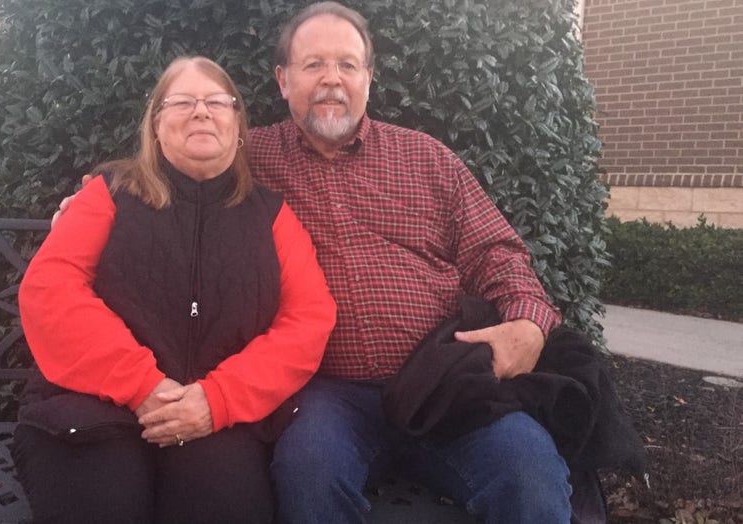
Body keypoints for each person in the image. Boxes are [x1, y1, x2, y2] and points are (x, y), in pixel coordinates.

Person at [56, 3, 573, 522]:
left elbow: (496, 251)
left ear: (369, 78)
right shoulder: (243, 158)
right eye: (313, 65)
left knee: (528, 475)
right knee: (309, 474)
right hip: (327, 394)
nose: (331, 79)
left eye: (347, 65)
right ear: (283, 80)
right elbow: (168, 175)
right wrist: (88, 205)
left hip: (441, 381)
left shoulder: (428, 159)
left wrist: (528, 323)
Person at [14, 56, 336, 524]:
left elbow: (308, 320)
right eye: (182, 101)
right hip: (90, 411)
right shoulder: (108, 194)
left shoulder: (271, 216)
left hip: (218, 421)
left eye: (216, 102)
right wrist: (142, 385)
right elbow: (50, 290)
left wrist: (217, 399)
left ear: (238, 124)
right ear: (157, 124)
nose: (201, 111)